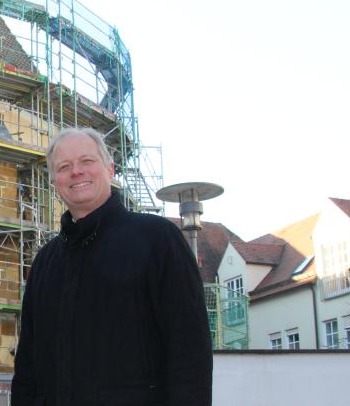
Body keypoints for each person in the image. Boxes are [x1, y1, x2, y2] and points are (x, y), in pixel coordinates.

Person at [11, 128, 212, 405]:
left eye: (87, 161)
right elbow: (28, 365)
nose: (76, 172)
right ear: (54, 181)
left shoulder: (157, 240)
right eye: (64, 167)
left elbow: (189, 351)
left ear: (110, 169)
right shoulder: (46, 261)